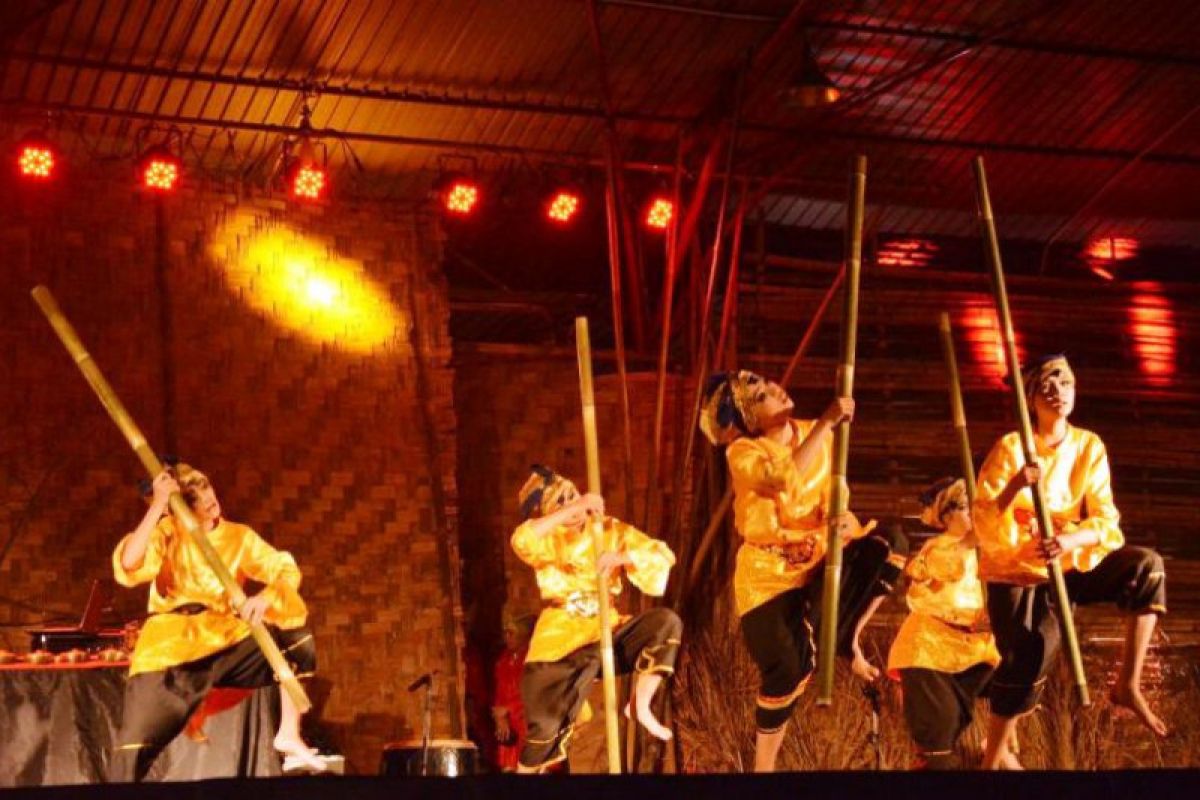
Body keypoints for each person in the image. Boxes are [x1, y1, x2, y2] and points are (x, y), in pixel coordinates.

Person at [700, 370, 906, 772]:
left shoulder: (818, 434)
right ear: (750, 420)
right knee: (791, 670)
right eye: (760, 397)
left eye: (769, 385)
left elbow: (835, 496)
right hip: (767, 579)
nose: (775, 390)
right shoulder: (743, 453)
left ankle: (849, 636)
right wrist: (828, 421)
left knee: (890, 544)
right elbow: (782, 480)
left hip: (816, 562)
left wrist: (842, 519)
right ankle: (763, 769)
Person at [976, 354, 1168, 770]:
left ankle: (1128, 684)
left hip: (1067, 559)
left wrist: (1069, 538)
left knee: (1146, 567)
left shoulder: (1089, 445)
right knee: (1028, 655)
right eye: (1045, 387)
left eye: (1064, 383)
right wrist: (1016, 484)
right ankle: (993, 759)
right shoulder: (1012, 447)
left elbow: (1105, 518)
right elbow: (985, 516)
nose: (1057, 392)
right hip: (1018, 565)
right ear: (1031, 402)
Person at [109, 463, 324, 781]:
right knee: (131, 753)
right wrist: (158, 504)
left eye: (206, 487)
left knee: (295, 640)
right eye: (194, 498)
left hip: (224, 638)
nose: (208, 499)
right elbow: (129, 563)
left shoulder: (239, 536)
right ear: (180, 507)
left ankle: (289, 733)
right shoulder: (169, 531)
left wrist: (265, 597)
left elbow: (284, 569)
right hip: (170, 647)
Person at [511, 465, 681, 773]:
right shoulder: (547, 539)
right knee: (543, 735)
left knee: (665, 624)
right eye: (560, 503)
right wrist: (573, 508)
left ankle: (640, 705)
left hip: (605, 630)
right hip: (562, 642)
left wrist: (623, 558)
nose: (572, 505)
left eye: (573, 495)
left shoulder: (608, 530)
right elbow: (521, 540)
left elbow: (662, 556)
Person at [887, 478, 1001, 769]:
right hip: (930, 651)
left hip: (974, 651)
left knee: (1017, 679)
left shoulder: (989, 552)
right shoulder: (939, 548)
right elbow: (924, 571)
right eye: (966, 509)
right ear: (948, 515)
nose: (973, 517)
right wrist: (967, 543)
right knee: (940, 738)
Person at [492, 613, 536, 772]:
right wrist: (499, 716)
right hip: (509, 727)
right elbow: (499, 694)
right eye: (505, 633)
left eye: (512, 633)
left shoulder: (532, 660)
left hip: (528, 725)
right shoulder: (503, 660)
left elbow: (533, 693)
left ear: (523, 635)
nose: (507, 638)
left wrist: (508, 708)